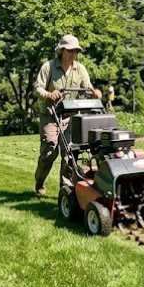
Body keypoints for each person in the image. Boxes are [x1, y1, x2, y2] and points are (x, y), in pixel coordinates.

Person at [34, 34, 102, 196]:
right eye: (70, 50)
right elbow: (38, 88)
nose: (73, 54)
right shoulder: (49, 67)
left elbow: (88, 89)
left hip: (70, 116)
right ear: (62, 50)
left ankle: (65, 189)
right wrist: (48, 95)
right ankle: (40, 182)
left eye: (76, 51)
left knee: (70, 153)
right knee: (49, 150)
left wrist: (95, 93)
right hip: (51, 115)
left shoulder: (80, 69)